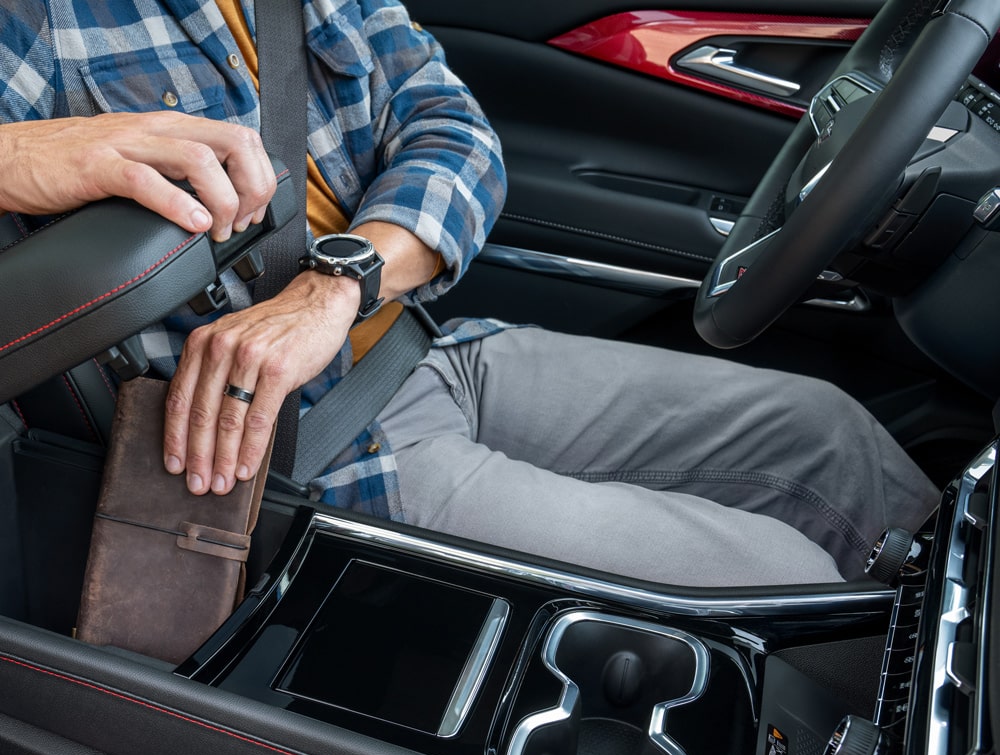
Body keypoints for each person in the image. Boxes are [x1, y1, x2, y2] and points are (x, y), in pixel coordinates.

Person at [0, 0, 940, 587]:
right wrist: (13, 156)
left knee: (828, 432)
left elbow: (452, 128)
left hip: (415, 348)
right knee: (781, 579)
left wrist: (339, 284)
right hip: (288, 460)